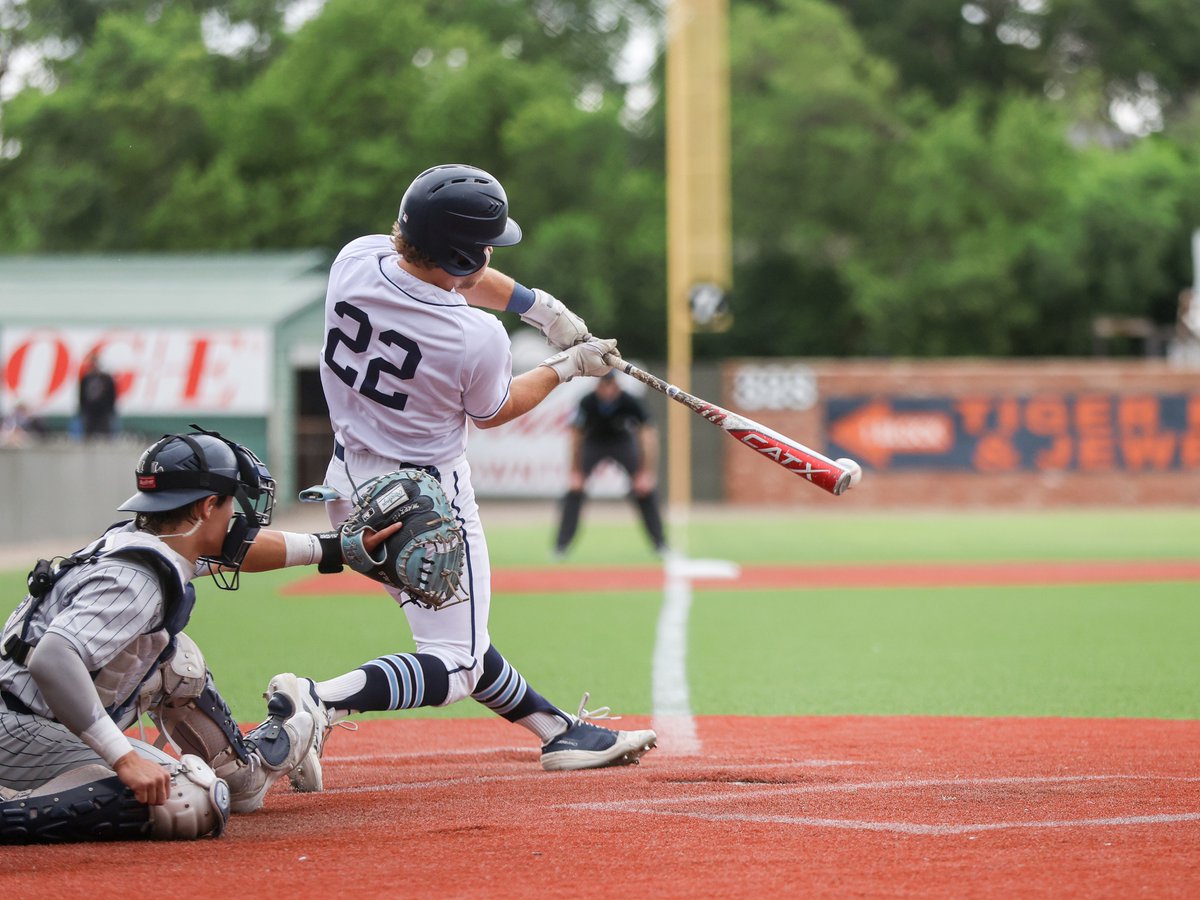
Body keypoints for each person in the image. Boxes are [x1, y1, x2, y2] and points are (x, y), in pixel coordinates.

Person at [271, 163, 656, 792]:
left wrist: (541, 308)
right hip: (425, 503)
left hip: (345, 489)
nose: (486, 253)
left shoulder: (355, 260)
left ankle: (559, 732)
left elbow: (458, 274)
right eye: (481, 246)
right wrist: (568, 364)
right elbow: (494, 409)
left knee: (459, 631)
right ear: (460, 254)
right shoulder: (474, 336)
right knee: (453, 661)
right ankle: (318, 703)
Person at [0, 427, 390, 843]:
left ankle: (244, 775)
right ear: (207, 507)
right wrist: (124, 758)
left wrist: (339, 548)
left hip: (35, 713)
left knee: (177, 662)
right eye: (231, 503)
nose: (238, 516)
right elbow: (52, 659)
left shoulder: (144, 543)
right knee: (192, 798)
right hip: (21, 730)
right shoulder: (135, 579)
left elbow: (242, 552)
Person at [554, 370, 667, 558]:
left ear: (617, 385)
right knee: (574, 491)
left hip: (621, 442)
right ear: (597, 386)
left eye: (610, 386)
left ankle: (661, 544)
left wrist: (646, 472)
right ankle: (561, 546)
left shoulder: (630, 401)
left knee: (645, 491)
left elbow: (648, 436)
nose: (607, 391)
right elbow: (576, 437)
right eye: (603, 386)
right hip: (594, 443)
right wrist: (575, 471)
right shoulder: (587, 401)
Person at [77, 350, 118, 438]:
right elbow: (82, 395)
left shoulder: (106, 378)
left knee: (105, 434)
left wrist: (110, 408)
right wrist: (82, 408)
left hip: (103, 410)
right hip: (90, 410)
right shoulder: (86, 379)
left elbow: (112, 394)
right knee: (89, 435)